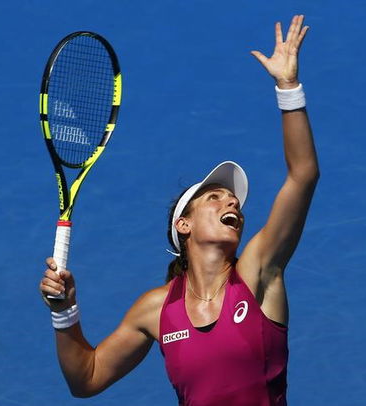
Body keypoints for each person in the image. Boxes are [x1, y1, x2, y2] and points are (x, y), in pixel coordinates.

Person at [40, 15, 318, 405]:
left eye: (233, 200)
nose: (232, 202)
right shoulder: (155, 309)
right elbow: (86, 378)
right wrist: (64, 312)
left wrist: (288, 88)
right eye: (214, 197)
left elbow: (303, 175)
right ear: (183, 225)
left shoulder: (257, 271)